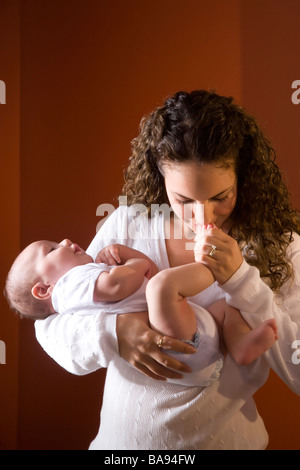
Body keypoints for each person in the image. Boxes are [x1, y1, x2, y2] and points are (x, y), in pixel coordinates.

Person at [33, 90, 300, 450]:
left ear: (244, 176)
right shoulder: (131, 224)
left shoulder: (279, 246)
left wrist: (242, 280)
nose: (202, 217)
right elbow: (52, 326)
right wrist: (114, 330)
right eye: (184, 200)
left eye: (221, 197)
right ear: (161, 178)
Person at [4, 235, 277, 387]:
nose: (63, 240)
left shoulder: (83, 280)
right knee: (162, 287)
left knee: (220, 307)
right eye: (51, 249)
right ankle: (218, 269)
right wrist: (130, 265)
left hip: (190, 355)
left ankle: (240, 345)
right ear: (43, 289)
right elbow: (117, 284)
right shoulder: (69, 285)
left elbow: (147, 272)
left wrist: (128, 255)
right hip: (174, 344)